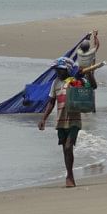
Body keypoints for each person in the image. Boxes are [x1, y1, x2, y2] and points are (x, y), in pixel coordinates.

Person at [39, 57, 82, 188]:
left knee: (69, 147)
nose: (58, 72)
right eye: (57, 70)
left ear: (67, 70)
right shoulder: (55, 83)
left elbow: (86, 90)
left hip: (74, 121)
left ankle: (70, 175)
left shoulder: (74, 81)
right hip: (60, 122)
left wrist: (83, 78)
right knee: (65, 149)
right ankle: (69, 173)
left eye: (60, 70)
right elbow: (51, 102)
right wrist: (44, 119)